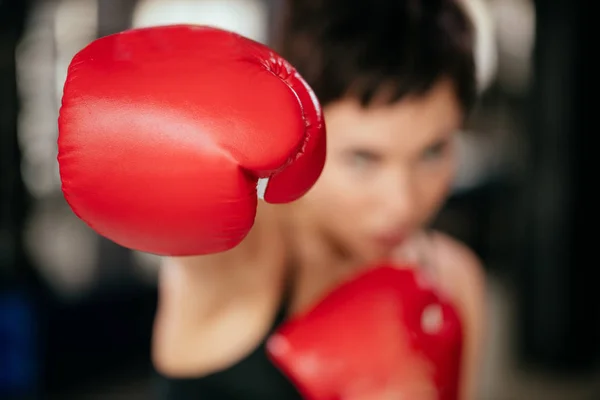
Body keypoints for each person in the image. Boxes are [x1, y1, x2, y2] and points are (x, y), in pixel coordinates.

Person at [57, 0, 486, 399]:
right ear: (304, 133)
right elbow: (193, 255)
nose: (402, 202)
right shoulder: (241, 258)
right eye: (362, 159)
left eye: (432, 151)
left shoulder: (454, 276)